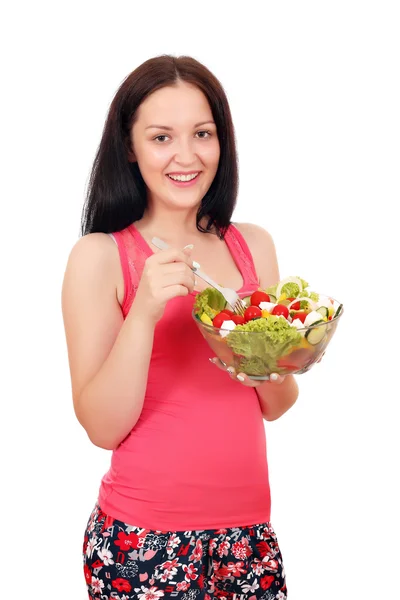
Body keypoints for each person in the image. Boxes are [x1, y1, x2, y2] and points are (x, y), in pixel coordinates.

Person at [62, 54, 299, 600]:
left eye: (202, 133)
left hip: (248, 536)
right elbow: (101, 428)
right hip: (145, 540)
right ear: (130, 147)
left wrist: (278, 353)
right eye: (162, 137)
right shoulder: (100, 257)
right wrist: (144, 311)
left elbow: (276, 403)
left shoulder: (252, 246)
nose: (186, 156)